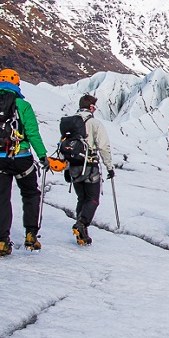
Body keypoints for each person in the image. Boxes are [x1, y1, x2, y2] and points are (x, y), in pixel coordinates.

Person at [0, 68, 48, 257]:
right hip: (22, 159)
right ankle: (31, 234)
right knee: (30, 194)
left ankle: (2, 241)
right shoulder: (22, 105)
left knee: (2, 199)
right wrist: (42, 156)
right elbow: (32, 134)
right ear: (16, 83)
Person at [67, 94, 114, 246]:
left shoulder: (70, 122)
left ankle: (82, 233)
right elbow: (103, 146)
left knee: (82, 198)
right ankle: (82, 223)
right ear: (91, 107)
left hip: (73, 166)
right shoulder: (94, 123)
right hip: (90, 165)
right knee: (93, 199)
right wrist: (109, 166)